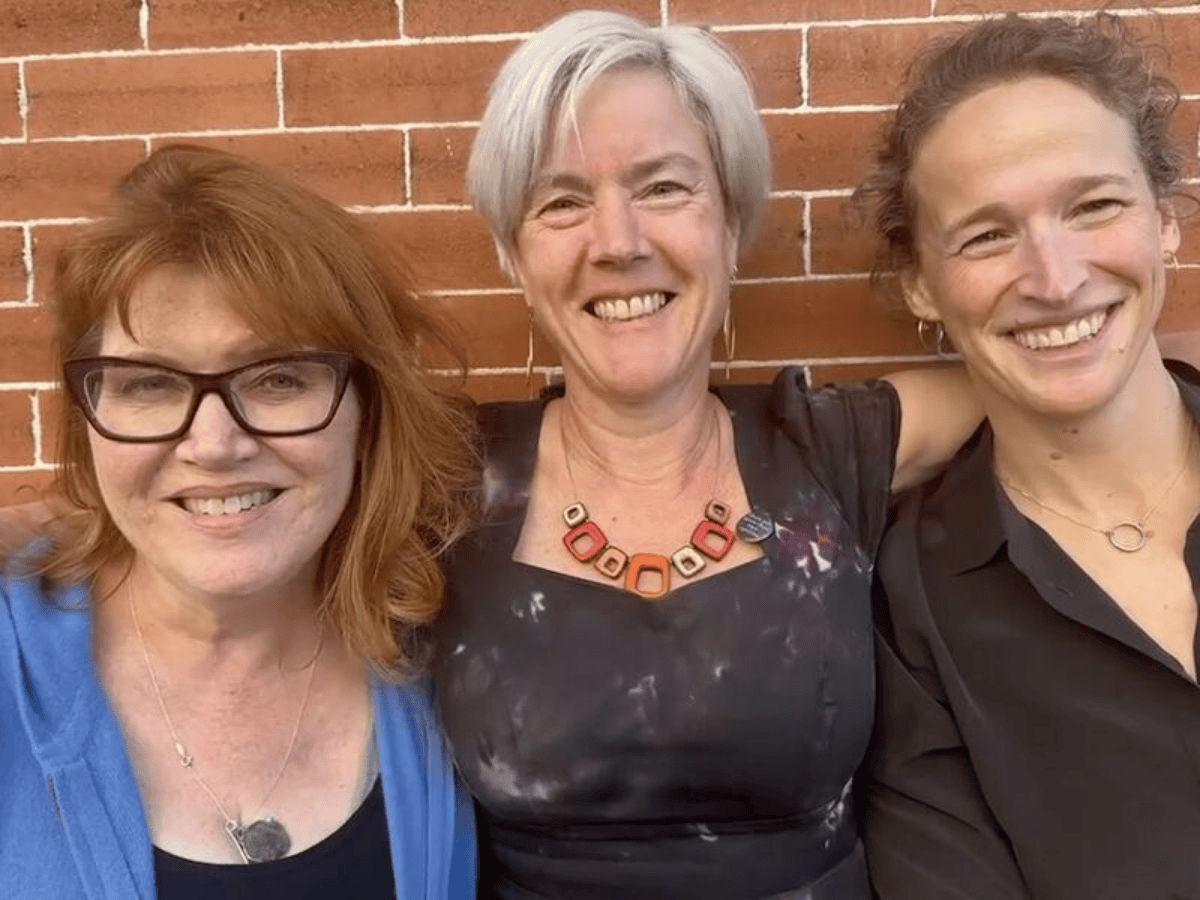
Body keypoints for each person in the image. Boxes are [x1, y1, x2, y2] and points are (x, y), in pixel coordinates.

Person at [432, 11, 982, 898]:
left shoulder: (828, 448)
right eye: (562, 201)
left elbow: (1033, 373)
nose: (618, 242)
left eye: (662, 188)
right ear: (513, 255)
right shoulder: (445, 480)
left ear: (731, 228)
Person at [1, 145, 478, 897]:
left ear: (369, 408)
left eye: (279, 377)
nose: (215, 445)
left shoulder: (449, 647)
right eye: (150, 384)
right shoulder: (12, 669)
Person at [856, 13, 1200, 899]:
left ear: (1166, 220)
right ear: (922, 286)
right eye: (986, 235)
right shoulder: (909, 609)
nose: (1053, 278)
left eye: (1094, 206)